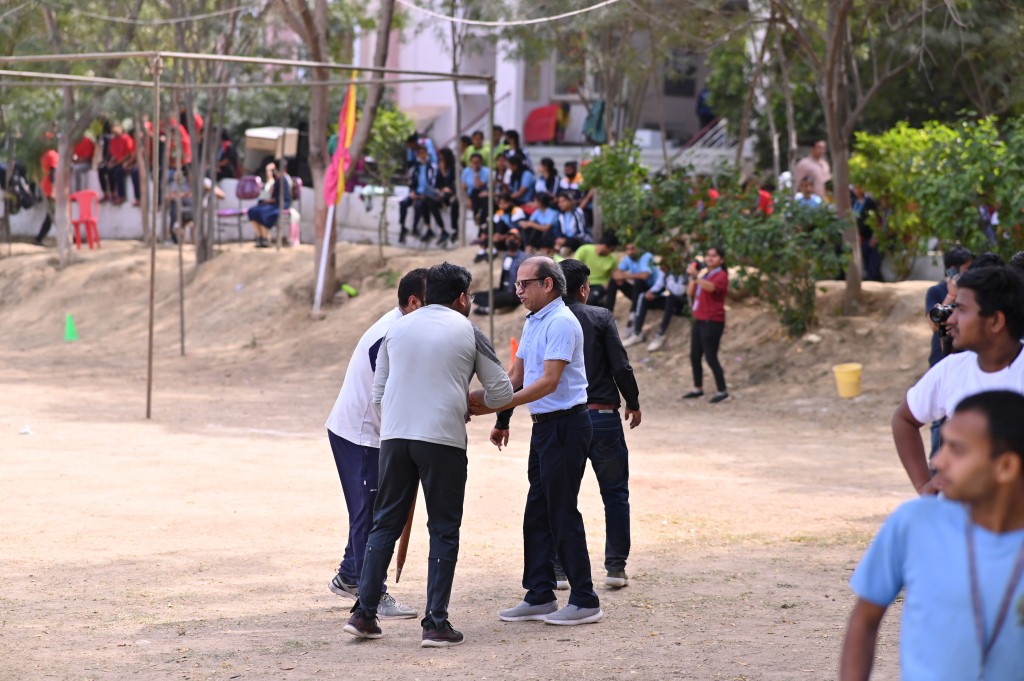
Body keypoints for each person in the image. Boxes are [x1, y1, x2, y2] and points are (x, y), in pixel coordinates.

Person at [343, 263, 514, 647]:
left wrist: (399, 421)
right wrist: (466, 403)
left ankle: (364, 614)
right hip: (442, 440)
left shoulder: (397, 328)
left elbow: (378, 395)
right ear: (462, 297)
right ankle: (435, 622)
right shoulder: (469, 330)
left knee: (384, 524)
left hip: (394, 438)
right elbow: (503, 392)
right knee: (443, 529)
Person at [840, 390, 1024, 681]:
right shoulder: (914, 523)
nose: (938, 460)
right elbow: (864, 620)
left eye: (957, 450)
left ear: (1006, 467)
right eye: (943, 444)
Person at [469, 256, 604, 626]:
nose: (518, 291)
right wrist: (478, 399)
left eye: (524, 283)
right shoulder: (534, 321)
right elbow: (515, 377)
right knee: (537, 512)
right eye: (516, 284)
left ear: (548, 284)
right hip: (544, 427)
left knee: (562, 511)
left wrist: (493, 406)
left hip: (567, 425)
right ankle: (540, 594)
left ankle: (585, 598)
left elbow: (548, 382)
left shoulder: (561, 322)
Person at [325, 269, 427, 620]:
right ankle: (373, 592)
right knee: (370, 514)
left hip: (372, 433)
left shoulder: (405, 327)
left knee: (372, 511)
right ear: (413, 302)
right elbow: (392, 393)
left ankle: (351, 576)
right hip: (361, 434)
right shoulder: (391, 335)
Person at [892, 265, 1024, 495]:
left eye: (961, 310)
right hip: (958, 512)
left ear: (995, 321)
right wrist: (923, 485)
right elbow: (904, 420)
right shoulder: (951, 369)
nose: (951, 319)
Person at [560, 258, 642, 588]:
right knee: (615, 494)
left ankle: (559, 569)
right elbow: (621, 366)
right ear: (584, 289)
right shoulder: (600, 317)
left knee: (561, 495)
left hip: (564, 419)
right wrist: (633, 401)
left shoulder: (545, 319)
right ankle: (615, 567)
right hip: (603, 415)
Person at [683, 246, 730, 403]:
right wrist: (693, 277)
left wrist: (696, 277)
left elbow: (711, 288)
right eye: (708, 255)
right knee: (695, 355)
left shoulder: (721, 275)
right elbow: (690, 292)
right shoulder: (705, 274)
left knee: (711, 357)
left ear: (721, 260)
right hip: (699, 319)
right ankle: (698, 388)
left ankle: (722, 390)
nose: (710, 258)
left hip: (713, 321)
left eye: (714, 256)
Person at [633, 261, 688, 352]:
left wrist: (669, 278)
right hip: (669, 298)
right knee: (644, 297)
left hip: (681, 303)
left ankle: (661, 334)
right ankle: (637, 332)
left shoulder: (681, 273)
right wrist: (651, 292)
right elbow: (659, 285)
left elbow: (679, 291)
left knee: (670, 296)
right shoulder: (665, 273)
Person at [472, 228, 528, 315]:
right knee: (475, 296)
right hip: (502, 289)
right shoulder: (505, 256)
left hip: (513, 292)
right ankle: (491, 306)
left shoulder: (523, 257)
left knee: (500, 298)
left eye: (513, 239)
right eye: (508, 238)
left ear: (519, 242)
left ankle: (489, 308)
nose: (510, 241)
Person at [611, 242, 657, 344]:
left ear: (639, 249)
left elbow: (645, 276)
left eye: (633, 249)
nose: (630, 252)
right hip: (638, 292)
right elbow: (615, 273)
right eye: (628, 249)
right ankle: (609, 313)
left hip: (652, 292)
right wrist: (619, 277)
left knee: (638, 281)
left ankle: (633, 317)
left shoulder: (646, 256)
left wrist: (623, 276)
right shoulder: (628, 258)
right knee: (614, 282)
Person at [398, 144, 437, 244]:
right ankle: (402, 227)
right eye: (420, 153)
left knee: (419, 205)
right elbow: (410, 181)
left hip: (426, 194)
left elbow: (433, 182)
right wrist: (412, 192)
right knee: (403, 203)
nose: (422, 155)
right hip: (416, 192)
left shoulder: (432, 167)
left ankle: (414, 228)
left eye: (424, 153)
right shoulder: (414, 167)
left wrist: (424, 194)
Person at [247, 160, 291, 248]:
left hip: (281, 206)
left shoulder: (284, 180)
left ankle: (266, 238)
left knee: (262, 213)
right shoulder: (277, 180)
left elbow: (280, 199)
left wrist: (268, 201)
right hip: (273, 204)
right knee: (252, 211)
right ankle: (261, 236)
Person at [573, 233, 620, 309]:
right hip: (583, 284)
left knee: (590, 300)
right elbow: (574, 267)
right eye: (611, 250)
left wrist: (608, 283)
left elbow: (615, 275)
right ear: (605, 246)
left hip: (600, 286)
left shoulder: (612, 259)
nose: (611, 252)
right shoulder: (584, 250)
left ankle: (608, 312)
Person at [426, 147, 457, 247]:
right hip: (441, 194)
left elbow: (455, 183)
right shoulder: (439, 169)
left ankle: (454, 230)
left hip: (451, 194)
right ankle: (442, 230)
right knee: (428, 201)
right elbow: (437, 184)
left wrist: (448, 188)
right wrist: (440, 189)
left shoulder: (454, 169)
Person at [32, 135, 59, 247]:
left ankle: (40, 237)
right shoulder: (53, 155)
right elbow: (53, 174)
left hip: (46, 189)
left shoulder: (42, 156)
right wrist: (54, 191)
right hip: (52, 190)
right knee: (51, 215)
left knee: (52, 215)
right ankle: (39, 238)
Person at [851, 185, 881, 281]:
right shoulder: (854, 202)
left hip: (869, 235)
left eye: (859, 187)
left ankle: (872, 276)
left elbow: (876, 220)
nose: (857, 190)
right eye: (855, 188)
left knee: (868, 250)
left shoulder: (870, 203)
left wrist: (875, 235)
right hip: (857, 236)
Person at [460, 152, 490, 227]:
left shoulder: (486, 171)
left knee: (479, 195)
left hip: (482, 194)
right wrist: (467, 199)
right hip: (470, 195)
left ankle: (481, 219)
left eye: (477, 162)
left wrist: (475, 173)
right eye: (473, 162)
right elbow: (463, 188)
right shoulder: (466, 171)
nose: (475, 164)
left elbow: (478, 186)